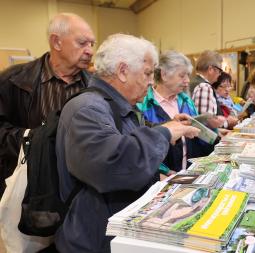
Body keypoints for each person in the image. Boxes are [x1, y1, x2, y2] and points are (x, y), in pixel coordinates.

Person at [55, 34, 200, 252]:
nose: (152, 82)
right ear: (123, 71)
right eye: (148, 73)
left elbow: (130, 136)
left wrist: (167, 131)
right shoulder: (87, 109)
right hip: (93, 240)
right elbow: (114, 164)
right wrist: (163, 133)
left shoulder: (118, 105)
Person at [0, 13, 95, 198]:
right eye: (82, 43)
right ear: (57, 42)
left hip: (80, 192)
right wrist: (34, 141)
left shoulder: (96, 87)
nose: (90, 51)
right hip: (29, 192)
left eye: (92, 44)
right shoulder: (13, 81)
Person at [137, 50, 219, 173]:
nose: (187, 81)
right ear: (164, 75)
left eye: (187, 76)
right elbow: (142, 148)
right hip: (161, 179)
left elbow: (197, 135)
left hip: (188, 172)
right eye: (182, 76)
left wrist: (214, 133)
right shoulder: (145, 104)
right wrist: (163, 172)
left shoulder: (186, 101)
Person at [190, 50, 227, 128]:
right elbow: (204, 123)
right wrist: (227, 123)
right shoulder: (204, 87)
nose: (220, 74)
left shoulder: (195, 81)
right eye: (220, 70)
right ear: (210, 69)